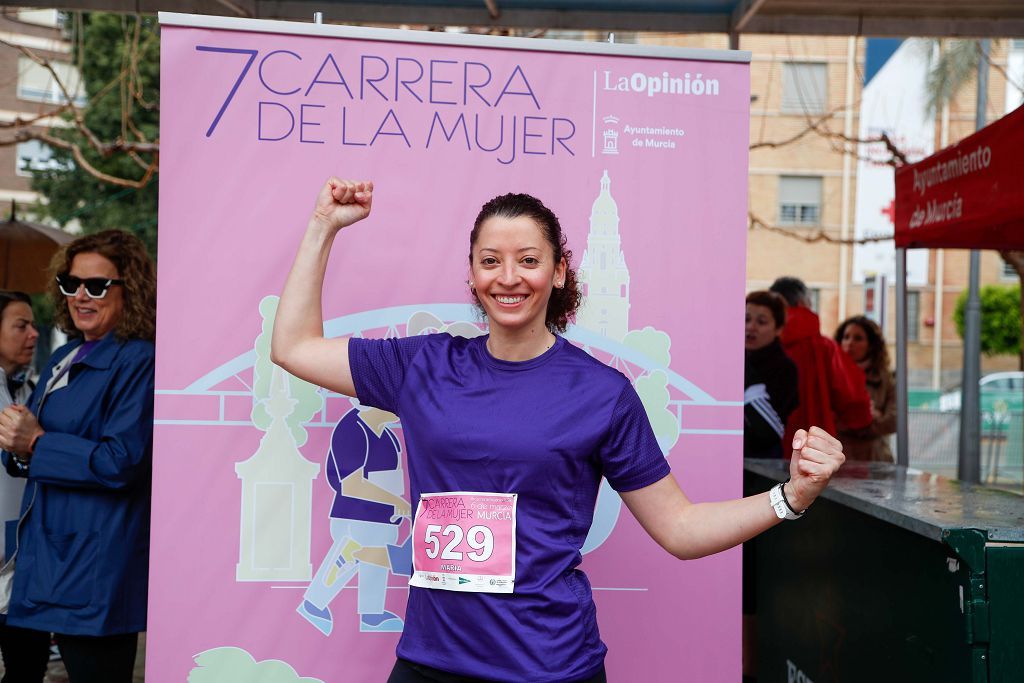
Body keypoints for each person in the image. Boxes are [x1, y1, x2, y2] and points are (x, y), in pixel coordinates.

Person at [271, 178, 846, 683]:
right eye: (490, 260)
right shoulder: (422, 366)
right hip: (431, 663)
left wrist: (790, 498)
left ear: (559, 270)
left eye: (528, 259)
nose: (508, 277)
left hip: (548, 667)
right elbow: (293, 347)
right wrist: (324, 226)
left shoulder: (602, 393)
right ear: (471, 274)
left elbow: (680, 527)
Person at [0, 230, 155, 682]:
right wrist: (18, 446)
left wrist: (35, 443)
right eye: (71, 284)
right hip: (47, 555)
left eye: (97, 286)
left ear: (133, 290)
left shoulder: (139, 360)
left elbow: (121, 461)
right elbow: (35, 447)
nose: (80, 296)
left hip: (94, 565)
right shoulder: (64, 355)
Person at [769, 276, 872, 453]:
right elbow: (853, 400)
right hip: (814, 449)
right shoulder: (826, 348)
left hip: (763, 448)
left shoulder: (757, 345)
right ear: (803, 302)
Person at [0, 290, 41, 682]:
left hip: (23, 574)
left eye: (32, 325)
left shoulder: (33, 393)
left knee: (28, 670)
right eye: (20, 325)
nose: (34, 334)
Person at [743, 290, 798, 459]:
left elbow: (770, 430)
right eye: (746, 319)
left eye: (761, 322)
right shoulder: (728, 361)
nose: (751, 327)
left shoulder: (784, 368)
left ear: (778, 328)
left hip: (763, 463)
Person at [834, 316, 896, 462]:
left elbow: (894, 420)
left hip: (875, 458)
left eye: (858, 338)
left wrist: (861, 422)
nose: (850, 343)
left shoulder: (886, 378)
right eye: (846, 337)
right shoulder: (831, 376)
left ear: (871, 345)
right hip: (839, 456)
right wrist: (869, 416)